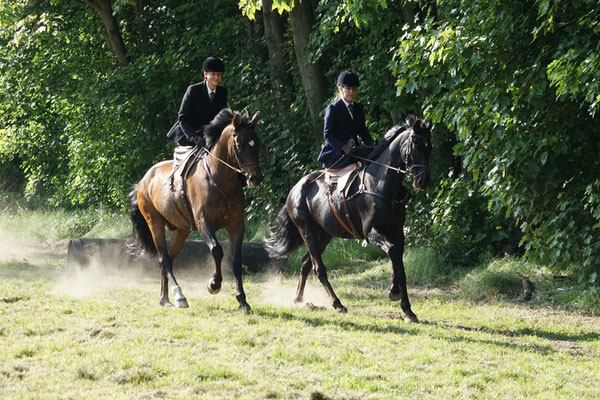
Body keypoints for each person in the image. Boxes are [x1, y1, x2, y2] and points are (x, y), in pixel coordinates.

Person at [317, 70, 375, 170]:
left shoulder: (359, 108)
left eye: (354, 89)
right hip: (337, 154)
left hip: (354, 150)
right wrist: (343, 147)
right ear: (340, 88)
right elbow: (328, 135)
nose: (352, 92)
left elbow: (362, 130)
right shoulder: (333, 109)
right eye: (348, 88)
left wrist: (372, 144)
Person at [167, 56, 228, 147]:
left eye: (219, 74)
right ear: (205, 75)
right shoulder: (193, 90)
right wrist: (193, 136)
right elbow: (183, 118)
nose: (216, 77)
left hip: (209, 135)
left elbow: (221, 118)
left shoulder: (222, 92)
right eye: (213, 74)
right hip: (190, 134)